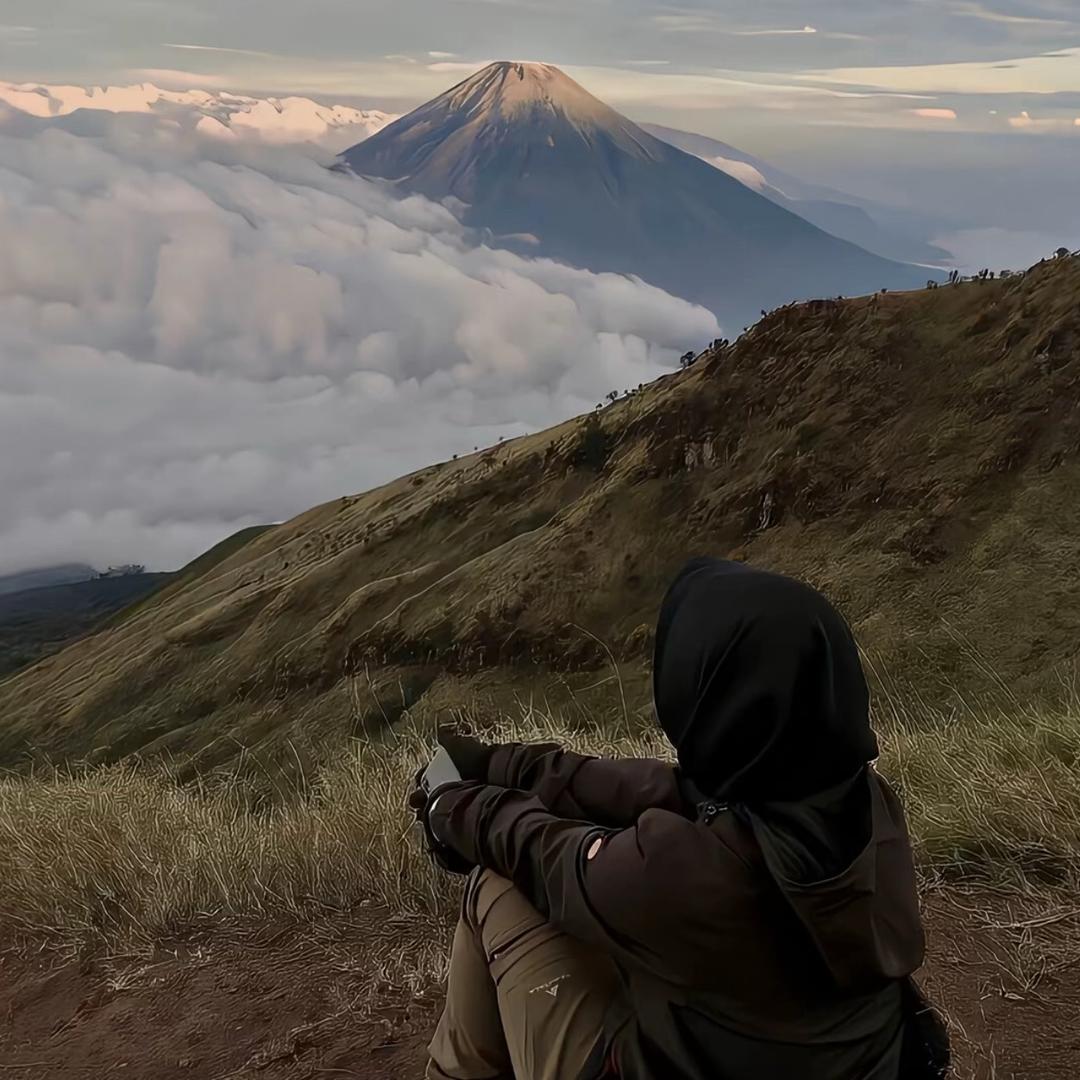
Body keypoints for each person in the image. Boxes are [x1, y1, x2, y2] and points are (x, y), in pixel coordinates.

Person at [410, 558, 950, 1080]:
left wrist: (449, 807)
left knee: (497, 886)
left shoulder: (690, 875)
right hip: (842, 1061)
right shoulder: (864, 801)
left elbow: (540, 851)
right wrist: (502, 764)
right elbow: (668, 791)